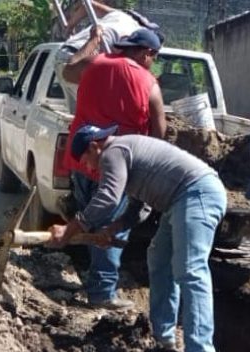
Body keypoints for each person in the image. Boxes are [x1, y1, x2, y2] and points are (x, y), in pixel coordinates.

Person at [49, 125, 226, 352]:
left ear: (93, 146)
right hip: (179, 200)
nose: (90, 169)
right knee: (159, 259)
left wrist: (71, 228)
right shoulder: (126, 153)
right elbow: (139, 209)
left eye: (87, 161)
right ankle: (164, 339)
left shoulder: (113, 151)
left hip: (197, 192)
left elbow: (108, 198)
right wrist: (114, 229)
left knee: (190, 267)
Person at [64, 28, 167, 309]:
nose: (152, 63)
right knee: (111, 229)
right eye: (153, 57)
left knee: (92, 217)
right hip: (119, 167)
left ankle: (96, 283)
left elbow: (67, 70)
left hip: (82, 159)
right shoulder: (148, 82)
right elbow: (161, 130)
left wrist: (92, 42)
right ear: (146, 53)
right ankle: (102, 293)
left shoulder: (94, 64)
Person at [53, 1, 159, 112]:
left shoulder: (119, 15)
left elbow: (87, 5)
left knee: (79, 109)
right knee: (100, 109)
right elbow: (129, 68)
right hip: (81, 58)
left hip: (63, 53)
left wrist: (70, 25)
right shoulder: (135, 36)